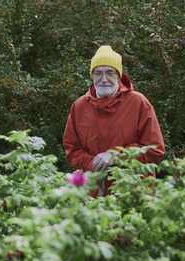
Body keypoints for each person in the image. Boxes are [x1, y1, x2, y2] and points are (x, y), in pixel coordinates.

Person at [62, 45, 166, 194]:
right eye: (98, 73)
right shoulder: (79, 107)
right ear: (92, 76)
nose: (104, 79)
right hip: (94, 193)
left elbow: (155, 149)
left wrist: (116, 156)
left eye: (110, 73)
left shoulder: (138, 103)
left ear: (119, 75)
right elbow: (71, 149)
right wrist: (91, 162)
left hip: (134, 191)